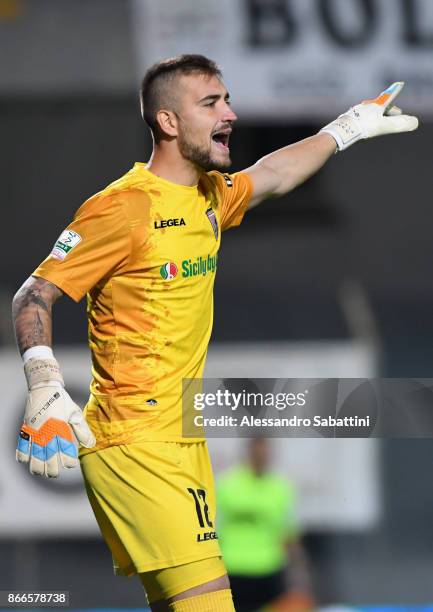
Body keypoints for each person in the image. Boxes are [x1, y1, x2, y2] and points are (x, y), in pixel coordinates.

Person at [12, 54, 417, 612]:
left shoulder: (208, 198)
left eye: (227, 99)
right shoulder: (122, 210)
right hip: (136, 440)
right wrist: (44, 384)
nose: (230, 112)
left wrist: (342, 130)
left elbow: (275, 173)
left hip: (181, 436)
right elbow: (33, 294)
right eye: (211, 103)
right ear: (169, 122)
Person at [217, 438, 313, 612]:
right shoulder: (228, 484)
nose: (261, 457)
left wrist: (300, 573)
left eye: (265, 453)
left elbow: (288, 532)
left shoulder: (280, 487)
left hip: (270, 568)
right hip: (235, 568)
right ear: (249, 453)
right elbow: (213, 528)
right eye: (257, 452)